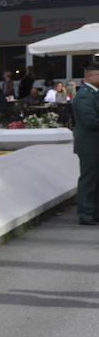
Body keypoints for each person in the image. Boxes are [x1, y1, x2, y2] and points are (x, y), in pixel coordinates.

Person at [72, 60, 99, 225]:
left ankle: (94, 212)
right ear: (90, 76)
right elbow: (90, 121)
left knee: (96, 181)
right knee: (89, 180)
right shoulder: (83, 96)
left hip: (95, 145)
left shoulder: (93, 94)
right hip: (90, 146)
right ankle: (86, 213)